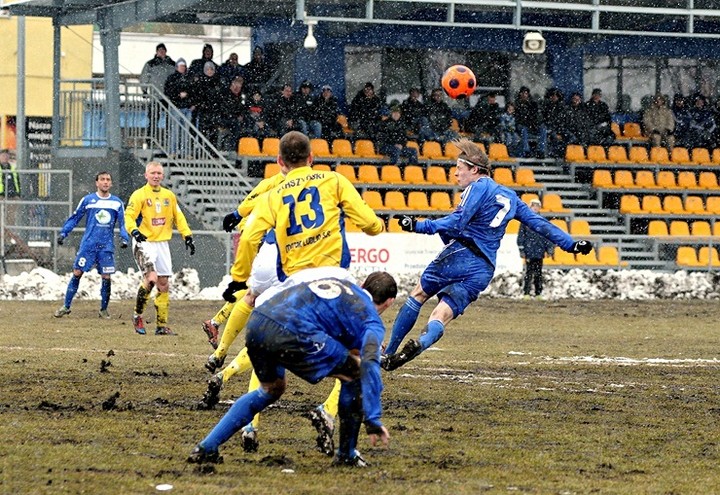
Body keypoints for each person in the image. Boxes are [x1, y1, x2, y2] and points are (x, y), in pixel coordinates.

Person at [203, 131, 385, 452]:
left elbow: (247, 238)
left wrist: (238, 276)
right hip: (328, 285)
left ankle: (222, 434)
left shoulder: (272, 192)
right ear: (312, 158)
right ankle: (342, 440)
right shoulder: (333, 181)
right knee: (356, 360)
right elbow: (372, 225)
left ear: (279, 162)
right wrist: (365, 223)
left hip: (284, 290)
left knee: (271, 375)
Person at [380, 139, 592, 371]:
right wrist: (571, 245)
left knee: (419, 295)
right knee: (442, 314)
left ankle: (388, 353)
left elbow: (458, 222)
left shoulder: (478, 186)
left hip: (460, 255)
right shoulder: (511, 197)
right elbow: (540, 224)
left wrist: (419, 225)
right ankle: (421, 343)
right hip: (483, 269)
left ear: (474, 169)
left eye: (459, 169)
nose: (455, 175)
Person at [187, 271, 397, 467]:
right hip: (294, 332)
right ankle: (346, 454)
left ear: (362, 284)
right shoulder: (371, 319)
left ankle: (207, 447)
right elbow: (369, 362)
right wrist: (372, 418)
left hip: (259, 321)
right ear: (389, 302)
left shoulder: (340, 284)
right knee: (355, 373)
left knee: (271, 389)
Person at [124, 161, 195, 336]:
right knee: (151, 279)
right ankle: (137, 315)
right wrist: (133, 231)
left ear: (162, 176)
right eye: (152, 173)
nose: (156, 176)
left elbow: (178, 216)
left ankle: (161, 325)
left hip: (162, 243)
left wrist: (187, 235)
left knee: (163, 284)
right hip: (144, 242)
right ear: (146, 175)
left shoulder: (169, 196)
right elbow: (129, 216)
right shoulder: (139, 195)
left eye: (159, 173)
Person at [53, 172, 130, 319]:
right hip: (88, 245)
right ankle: (66, 306)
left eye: (108, 180)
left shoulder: (116, 202)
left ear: (111, 183)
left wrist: (124, 238)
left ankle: (103, 309)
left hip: (106, 246)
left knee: (106, 277)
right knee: (77, 272)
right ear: (97, 183)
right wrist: (64, 233)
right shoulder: (88, 200)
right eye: (102, 179)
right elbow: (75, 217)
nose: (105, 182)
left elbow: (123, 223)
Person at [517, 198, 555, 299]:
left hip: (539, 251)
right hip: (529, 252)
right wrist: (522, 250)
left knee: (538, 274)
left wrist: (549, 249)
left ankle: (538, 293)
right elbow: (521, 236)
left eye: (537, 206)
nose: (535, 208)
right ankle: (526, 293)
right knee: (528, 273)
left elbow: (547, 236)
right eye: (533, 206)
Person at [163, 58, 195, 156]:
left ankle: (186, 152)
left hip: (187, 108)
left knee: (186, 131)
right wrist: (178, 96)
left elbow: (194, 91)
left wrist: (192, 103)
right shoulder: (172, 78)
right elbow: (168, 92)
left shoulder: (189, 78)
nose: (183, 68)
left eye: (184, 66)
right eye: (181, 66)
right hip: (176, 107)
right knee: (175, 130)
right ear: (177, 67)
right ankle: (173, 151)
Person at [0, 149, 21, 225]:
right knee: (2, 219)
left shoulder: (12, 168)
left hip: (12, 196)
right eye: (3, 156)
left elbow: (17, 181)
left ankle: (6, 236)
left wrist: (18, 194)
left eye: (6, 155)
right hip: (1, 196)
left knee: (10, 219)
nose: (5, 157)